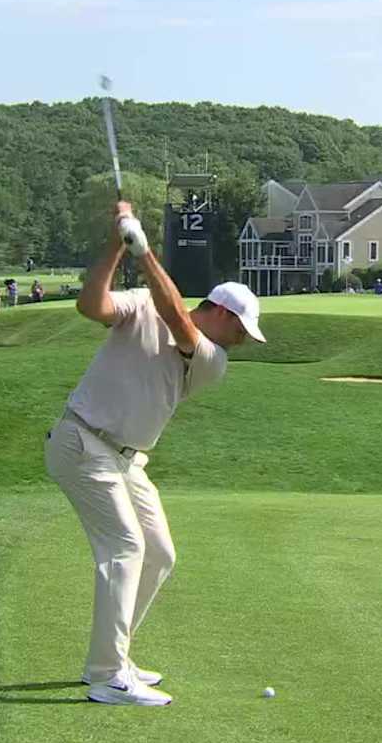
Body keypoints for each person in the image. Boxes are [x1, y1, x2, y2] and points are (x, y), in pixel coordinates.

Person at [45, 200, 264, 707]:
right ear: (222, 312)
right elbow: (91, 307)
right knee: (125, 548)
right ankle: (106, 674)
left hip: (126, 458)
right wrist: (117, 244)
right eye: (241, 329)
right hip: (82, 442)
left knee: (159, 554)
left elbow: (178, 323)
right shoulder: (142, 303)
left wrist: (142, 247)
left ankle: (115, 657)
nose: (243, 342)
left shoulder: (212, 360)